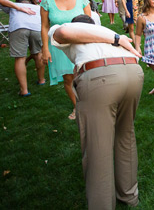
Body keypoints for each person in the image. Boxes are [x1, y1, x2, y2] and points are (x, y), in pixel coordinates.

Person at [49, 13, 142, 209]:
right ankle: (129, 196)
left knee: (98, 146)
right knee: (125, 135)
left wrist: (116, 38)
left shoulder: (67, 26)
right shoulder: (106, 30)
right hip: (133, 72)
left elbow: (64, 32)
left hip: (102, 76)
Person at [41, 0, 93, 121]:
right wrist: (45, 48)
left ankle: (91, 104)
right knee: (69, 79)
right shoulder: (47, 1)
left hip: (80, 45)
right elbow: (44, 26)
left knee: (84, 77)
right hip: (59, 47)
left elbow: (89, 25)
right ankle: (77, 106)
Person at [0, 0, 45, 97]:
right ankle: (41, 80)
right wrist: (19, 7)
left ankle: (24, 90)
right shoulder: (14, 5)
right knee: (38, 54)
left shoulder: (35, 7)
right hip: (36, 30)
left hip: (19, 29)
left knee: (20, 58)